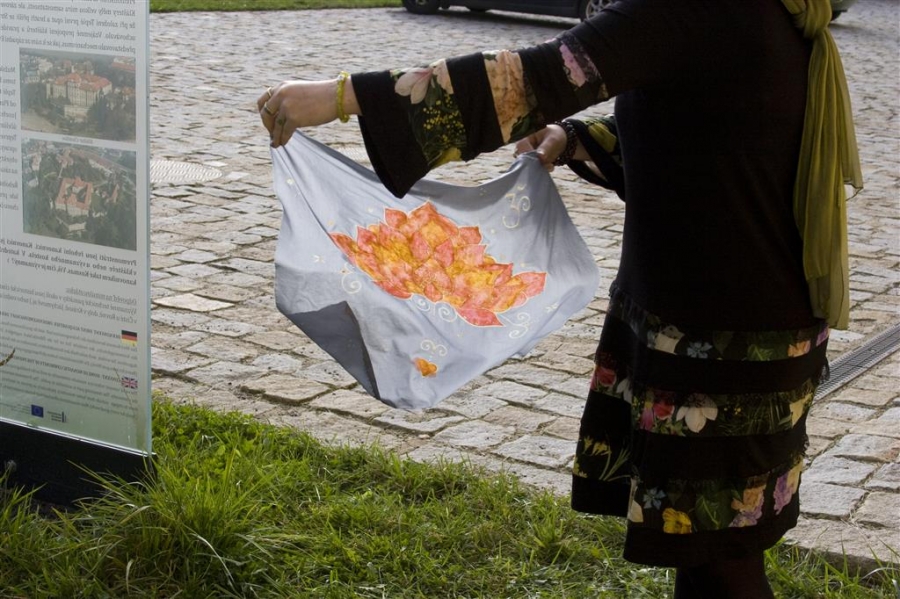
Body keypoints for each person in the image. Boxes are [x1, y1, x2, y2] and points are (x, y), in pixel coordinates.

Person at [258, 0, 861, 596]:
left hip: (725, 338)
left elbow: (533, 78)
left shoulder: (700, 8)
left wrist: (342, 96)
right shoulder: (759, 12)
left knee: (724, 565)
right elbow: (704, 126)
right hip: (729, 317)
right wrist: (572, 139)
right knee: (706, 553)